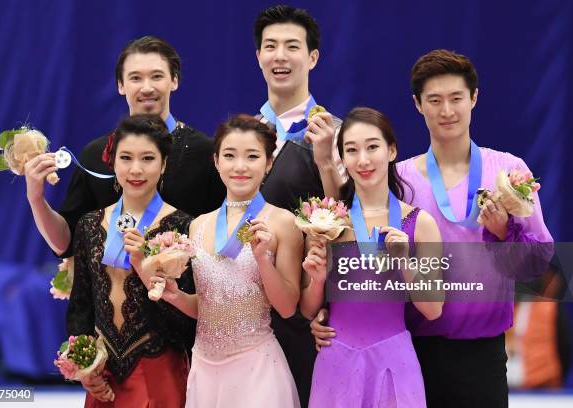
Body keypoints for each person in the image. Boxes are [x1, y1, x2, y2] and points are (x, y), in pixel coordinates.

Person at [311, 50, 553, 407]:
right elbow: (350, 236)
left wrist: (503, 233)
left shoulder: (509, 171)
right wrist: (333, 311)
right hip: (411, 348)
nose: (447, 111)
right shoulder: (398, 179)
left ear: (474, 97)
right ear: (417, 104)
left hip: (482, 353)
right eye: (434, 100)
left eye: (456, 98)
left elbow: (540, 266)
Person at [146, 115, 302, 407]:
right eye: (229, 155)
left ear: (269, 163)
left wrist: (263, 260)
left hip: (258, 369)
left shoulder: (282, 222)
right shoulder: (198, 225)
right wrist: (177, 296)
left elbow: (287, 307)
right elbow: (208, 307)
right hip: (205, 369)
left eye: (252, 156)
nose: (240, 166)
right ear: (216, 161)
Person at [24, 35, 224, 257]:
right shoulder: (94, 154)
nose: (147, 88)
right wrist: (36, 199)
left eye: (157, 76)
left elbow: (221, 239)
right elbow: (66, 244)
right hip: (108, 288)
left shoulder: (206, 153)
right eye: (135, 78)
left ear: (174, 81)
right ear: (121, 85)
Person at [301, 107, 443, 407]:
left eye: (372, 147)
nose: (363, 160)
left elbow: (433, 309)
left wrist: (405, 261)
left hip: (394, 362)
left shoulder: (420, 223)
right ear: (342, 158)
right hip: (335, 359)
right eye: (351, 150)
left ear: (391, 150)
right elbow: (308, 309)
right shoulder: (327, 224)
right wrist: (316, 281)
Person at [67, 115, 195, 407]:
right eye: (126, 158)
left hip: (159, 368)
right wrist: (84, 365)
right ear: (112, 163)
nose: (136, 169)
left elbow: (187, 321)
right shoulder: (89, 225)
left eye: (148, 158)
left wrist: (144, 263)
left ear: (164, 164)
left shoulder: (184, 227)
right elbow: (81, 305)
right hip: (103, 374)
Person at [253, 6, 346, 403]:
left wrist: (326, 160)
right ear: (258, 56)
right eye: (270, 46)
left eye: (292, 46)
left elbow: (351, 223)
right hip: (245, 315)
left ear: (313, 57)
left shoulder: (340, 134)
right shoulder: (242, 136)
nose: (280, 56)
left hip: (308, 316)